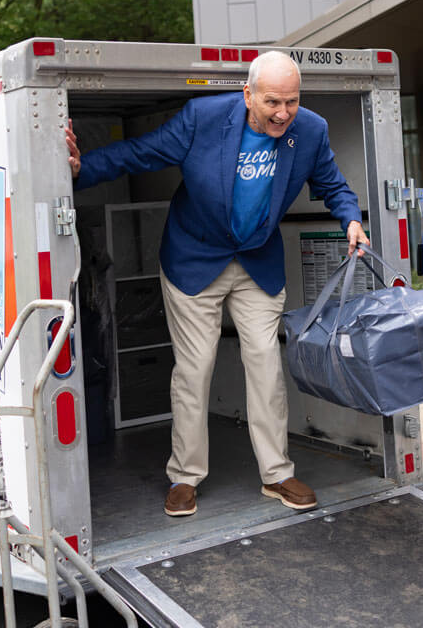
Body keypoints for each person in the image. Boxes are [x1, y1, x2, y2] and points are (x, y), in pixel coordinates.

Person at [65, 51, 369, 517]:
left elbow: (332, 184)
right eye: (272, 102)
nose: (283, 113)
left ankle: (278, 474)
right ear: (247, 94)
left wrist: (351, 219)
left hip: (256, 263)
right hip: (194, 259)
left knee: (266, 362)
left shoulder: (309, 130)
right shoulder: (203, 119)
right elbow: (139, 153)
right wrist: (80, 168)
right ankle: (185, 476)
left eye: (291, 101)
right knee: (196, 367)